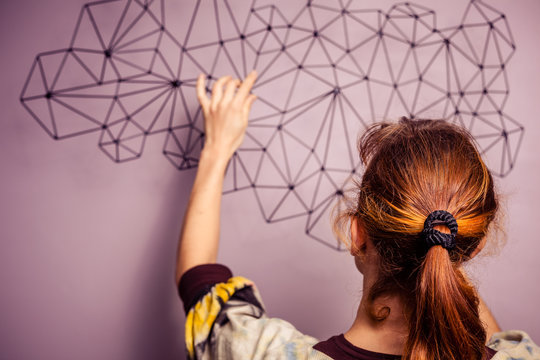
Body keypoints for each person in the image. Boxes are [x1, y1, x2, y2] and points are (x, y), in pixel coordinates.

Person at [175, 72, 539, 360]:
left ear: (357, 233)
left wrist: (217, 149)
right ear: (470, 246)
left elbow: (199, 284)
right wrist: (444, 240)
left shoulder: (260, 353)